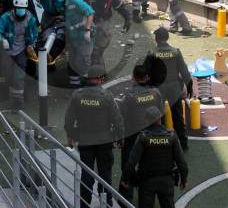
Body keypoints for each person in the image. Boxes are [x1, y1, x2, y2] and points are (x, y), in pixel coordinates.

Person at [64, 65, 123, 208]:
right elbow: (117, 120)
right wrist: (119, 138)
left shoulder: (77, 95)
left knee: (86, 174)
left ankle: (84, 204)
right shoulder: (107, 96)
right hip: (104, 141)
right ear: (100, 79)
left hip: (85, 140)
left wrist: (70, 137)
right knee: (105, 175)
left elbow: (69, 119)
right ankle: (106, 203)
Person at [121, 106, 188, 208]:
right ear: (160, 118)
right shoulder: (171, 136)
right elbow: (181, 161)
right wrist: (183, 179)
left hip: (146, 181)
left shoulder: (143, 137)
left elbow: (131, 162)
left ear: (147, 120)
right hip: (167, 180)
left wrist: (125, 179)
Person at [118, 64, 164, 201]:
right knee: (148, 165)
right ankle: (146, 196)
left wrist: (120, 137)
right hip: (150, 134)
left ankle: (126, 197)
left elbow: (121, 117)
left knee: (128, 164)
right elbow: (160, 112)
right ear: (147, 77)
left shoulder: (128, 96)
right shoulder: (156, 93)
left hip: (132, 136)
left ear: (133, 77)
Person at [145, 26, 193, 150]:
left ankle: (157, 142)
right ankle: (183, 143)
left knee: (157, 115)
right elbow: (184, 72)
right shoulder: (176, 52)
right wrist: (189, 86)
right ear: (167, 38)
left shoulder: (152, 53)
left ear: (156, 38)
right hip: (174, 88)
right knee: (177, 116)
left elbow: (146, 73)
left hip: (158, 88)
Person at [0, 0, 38, 110]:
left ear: (26, 8)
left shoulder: (30, 19)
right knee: (7, 74)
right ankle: (5, 94)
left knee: (18, 76)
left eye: (22, 8)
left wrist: (31, 45)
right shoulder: (6, 18)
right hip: (8, 51)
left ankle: (18, 102)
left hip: (21, 51)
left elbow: (34, 34)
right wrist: (1, 40)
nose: (20, 10)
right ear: (14, 7)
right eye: (18, 8)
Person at [23, 0, 73, 64]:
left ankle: (52, 56)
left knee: (60, 36)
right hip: (48, 15)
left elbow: (74, 0)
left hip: (62, 15)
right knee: (44, 37)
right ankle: (41, 61)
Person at [51, 0, 95, 88]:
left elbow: (90, 13)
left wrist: (87, 31)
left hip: (83, 36)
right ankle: (74, 86)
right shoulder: (62, 1)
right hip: (73, 36)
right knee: (72, 62)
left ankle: (83, 88)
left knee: (83, 62)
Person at [84, 0, 130, 70]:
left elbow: (120, 7)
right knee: (87, 41)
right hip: (89, 19)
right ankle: (92, 60)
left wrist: (127, 18)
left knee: (104, 40)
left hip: (104, 19)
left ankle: (96, 56)